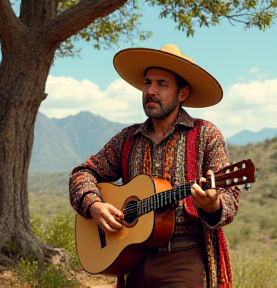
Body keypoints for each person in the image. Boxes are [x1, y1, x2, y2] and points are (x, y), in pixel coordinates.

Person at [69, 44, 240, 288]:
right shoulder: (128, 139)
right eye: (147, 83)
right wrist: (94, 206)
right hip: (133, 259)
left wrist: (213, 204)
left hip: (184, 258)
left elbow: (230, 198)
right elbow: (82, 173)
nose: (150, 90)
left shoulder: (205, 135)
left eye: (162, 84)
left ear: (183, 93)